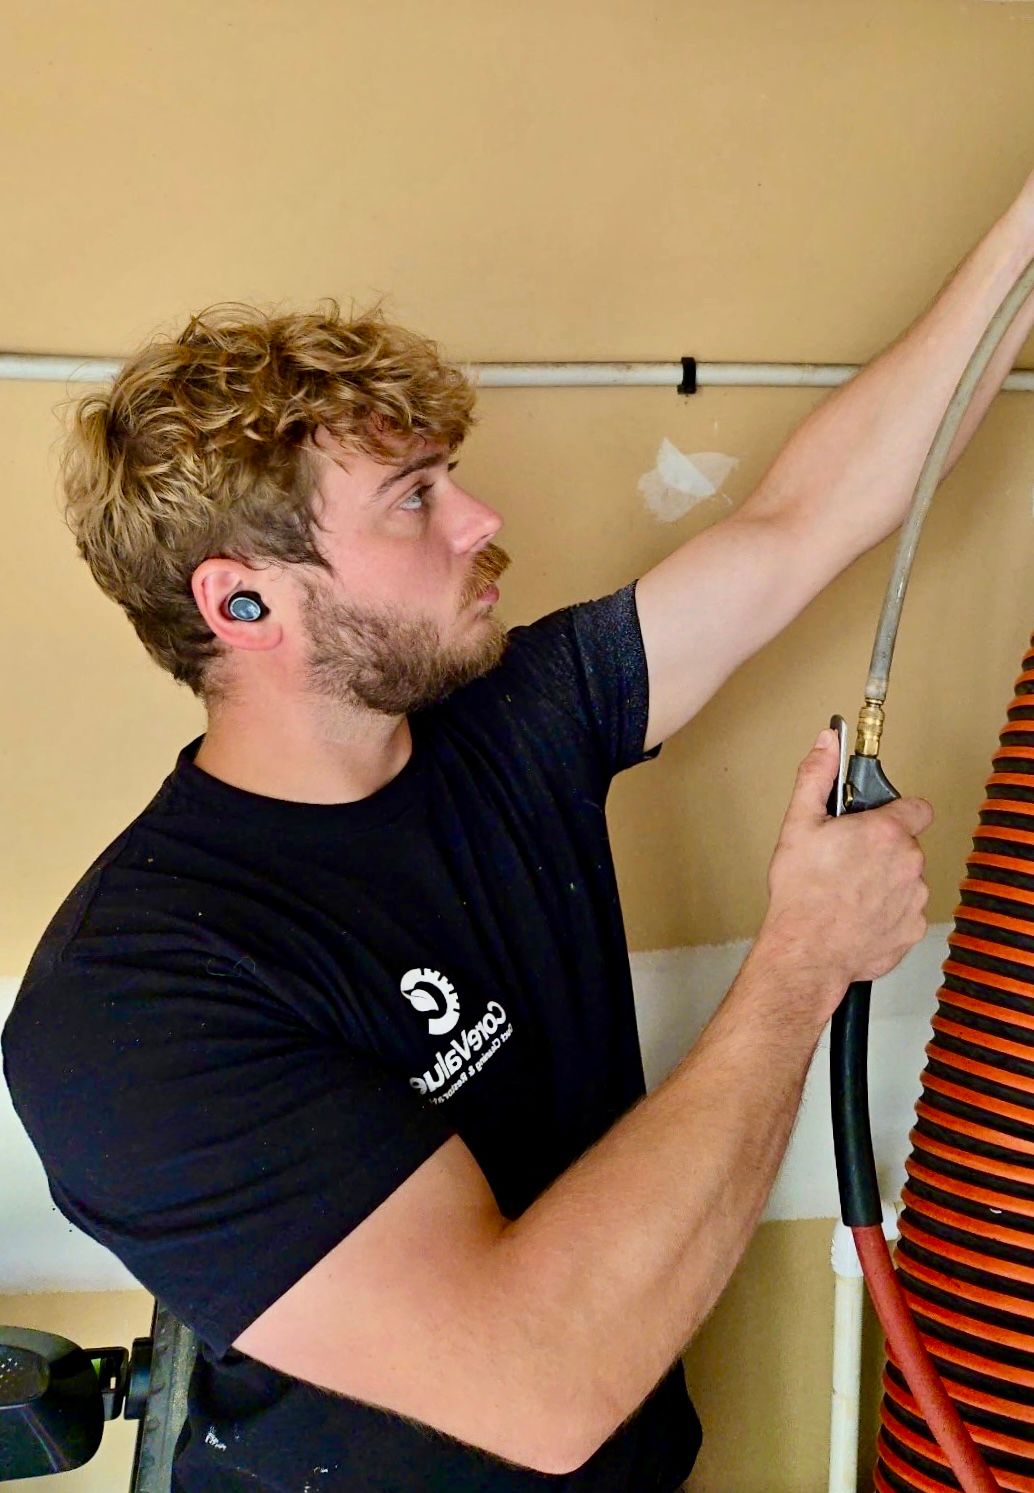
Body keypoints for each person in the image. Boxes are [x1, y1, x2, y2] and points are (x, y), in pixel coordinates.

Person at [4, 171, 1034, 1493]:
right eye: (414, 498)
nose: (483, 520)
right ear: (242, 603)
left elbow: (808, 517)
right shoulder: (130, 1004)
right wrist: (802, 960)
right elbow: (541, 1384)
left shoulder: (509, 725)